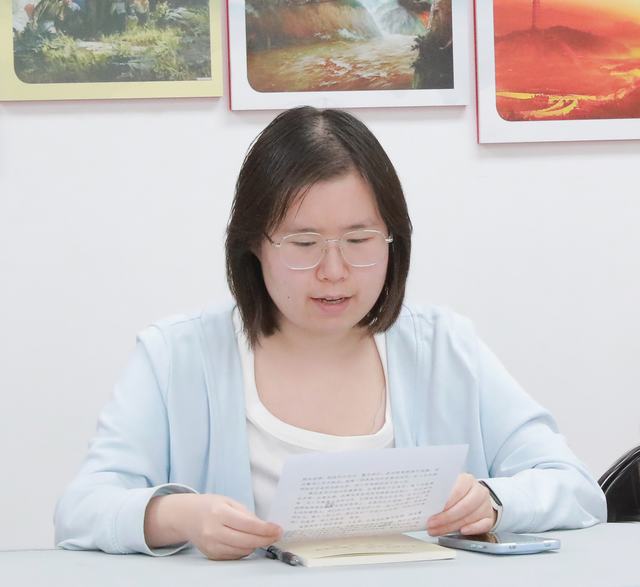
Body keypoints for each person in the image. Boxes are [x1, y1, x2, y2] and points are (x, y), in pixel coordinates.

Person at [54, 106, 606, 560]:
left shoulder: (444, 347)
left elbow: (576, 487)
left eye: (360, 241)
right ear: (254, 244)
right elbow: (80, 510)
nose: (334, 271)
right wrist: (179, 516)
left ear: (393, 240)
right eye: (303, 244)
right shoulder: (177, 356)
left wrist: (493, 499)